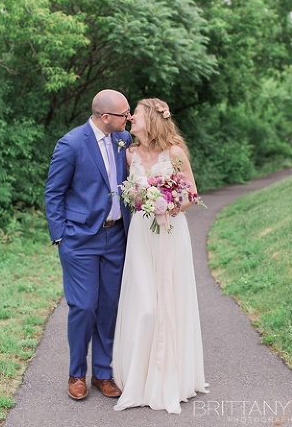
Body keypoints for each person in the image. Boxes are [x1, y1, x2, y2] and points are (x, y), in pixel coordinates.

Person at [112, 98, 207, 414]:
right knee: (146, 306)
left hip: (169, 233)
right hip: (141, 234)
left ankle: (168, 378)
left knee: (169, 300)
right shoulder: (130, 154)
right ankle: (137, 376)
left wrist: (172, 205)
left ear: (150, 119)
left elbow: (192, 192)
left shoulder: (175, 154)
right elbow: (130, 192)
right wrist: (143, 199)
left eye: (135, 114)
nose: (130, 118)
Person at [44, 89, 133, 401]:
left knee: (109, 306)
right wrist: (60, 235)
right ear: (105, 117)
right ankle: (76, 373)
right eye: (125, 113)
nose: (130, 118)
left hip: (117, 236)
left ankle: (103, 373)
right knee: (83, 306)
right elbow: (53, 192)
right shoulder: (71, 143)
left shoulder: (125, 140)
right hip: (80, 239)